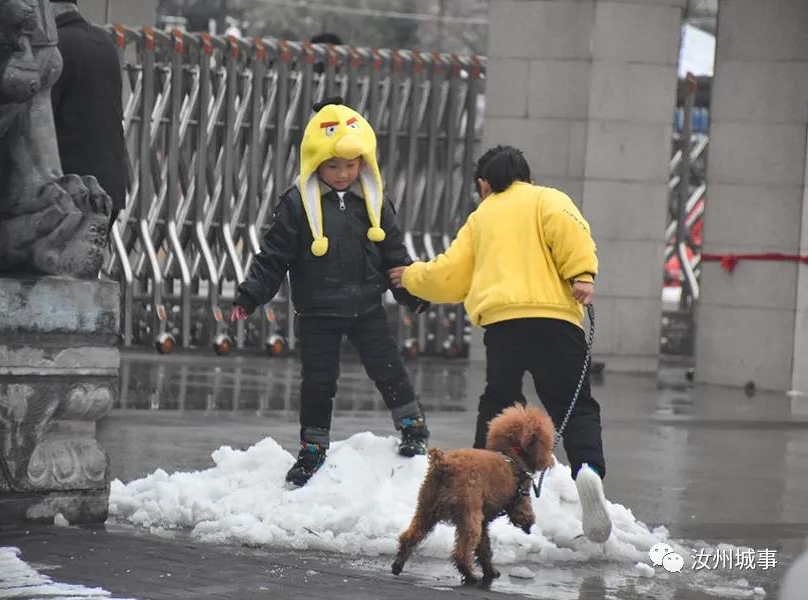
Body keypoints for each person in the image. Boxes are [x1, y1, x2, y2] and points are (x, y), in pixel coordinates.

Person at [388, 145, 612, 543]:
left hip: (504, 326)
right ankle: (588, 472)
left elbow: (452, 274)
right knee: (574, 406)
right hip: (556, 322)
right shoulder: (549, 199)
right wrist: (582, 273)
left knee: (498, 403)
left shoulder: (483, 215)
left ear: (483, 183)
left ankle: (475, 488)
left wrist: (411, 277)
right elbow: (571, 230)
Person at [231, 98, 430, 487]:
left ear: (364, 162)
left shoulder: (373, 201)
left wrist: (412, 292)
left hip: (367, 305)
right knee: (319, 381)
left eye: (350, 165)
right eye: (333, 166)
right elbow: (273, 256)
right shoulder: (296, 204)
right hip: (318, 310)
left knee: (387, 367)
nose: (342, 174)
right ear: (315, 162)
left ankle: (412, 425)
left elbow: (395, 255)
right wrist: (250, 295)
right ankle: (313, 446)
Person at [49, 0, 126, 226]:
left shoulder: (57, 48)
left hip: (71, 188)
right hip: (109, 187)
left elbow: (43, 119)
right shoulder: (104, 43)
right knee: (91, 257)